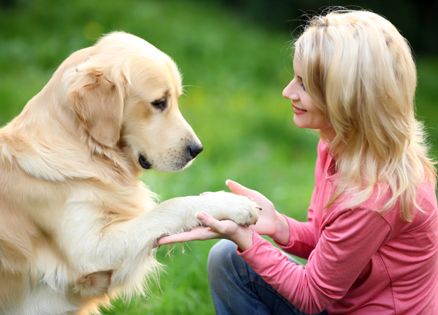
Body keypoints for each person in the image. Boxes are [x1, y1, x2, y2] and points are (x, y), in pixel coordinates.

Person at [158, 9, 438, 315]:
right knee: (229, 260)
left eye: (303, 85)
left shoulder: (373, 197)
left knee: (235, 253)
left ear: (346, 101)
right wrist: (279, 226)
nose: (287, 91)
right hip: (343, 304)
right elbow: (327, 242)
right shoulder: (340, 146)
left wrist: (246, 239)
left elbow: (311, 295)